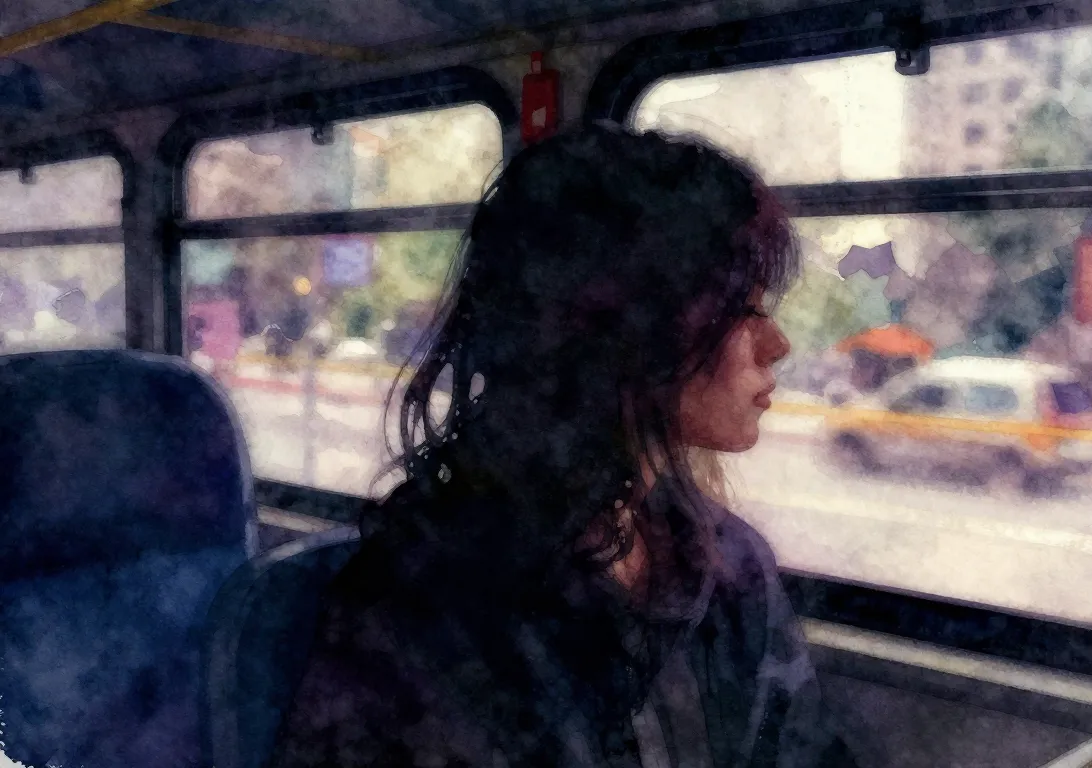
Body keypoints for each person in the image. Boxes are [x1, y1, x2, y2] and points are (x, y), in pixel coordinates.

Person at [268, 124, 858, 768]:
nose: (778, 345)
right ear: (625, 328)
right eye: (740, 310)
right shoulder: (422, 601)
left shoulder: (727, 563)